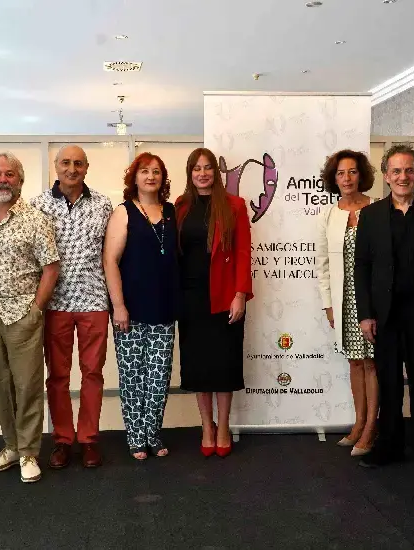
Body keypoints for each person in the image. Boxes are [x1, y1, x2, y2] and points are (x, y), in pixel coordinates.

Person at [354, 144, 414, 472]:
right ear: (386, 176)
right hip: (385, 315)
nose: (403, 176)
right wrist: (365, 313)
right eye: (396, 171)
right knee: (389, 383)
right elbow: (361, 266)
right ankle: (389, 445)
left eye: (408, 170)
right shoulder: (372, 215)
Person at [0, 152, 60, 483]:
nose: (3, 180)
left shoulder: (36, 220)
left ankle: (28, 452)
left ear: (20, 180)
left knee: (27, 386)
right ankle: (10, 445)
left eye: (10, 174)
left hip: (22, 314)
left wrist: (37, 308)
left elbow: (51, 267)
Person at [30, 144, 113, 469]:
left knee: (93, 374)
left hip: (94, 300)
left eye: (78, 163)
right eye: (66, 163)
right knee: (58, 376)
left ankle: (89, 439)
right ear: (56, 166)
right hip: (56, 303)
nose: (72, 169)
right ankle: (63, 440)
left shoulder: (104, 205)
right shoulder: (38, 205)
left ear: (87, 167)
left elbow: (112, 254)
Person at [174, 147, 253, 458]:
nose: (203, 173)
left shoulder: (234, 206)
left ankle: (223, 427)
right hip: (190, 298)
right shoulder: (180, 206)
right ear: (190, 173)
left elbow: (245, 252)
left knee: (223, 364)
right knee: (198, 366)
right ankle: (206, 426)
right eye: (197, 168)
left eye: (208, 167)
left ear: (215, 173)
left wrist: (239, 295)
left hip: (224, 296)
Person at [104, 152, 179, 460]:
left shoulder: (172, 211)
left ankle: (153, 433)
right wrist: (118, 305)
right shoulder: (124, 212)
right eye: (145, 171)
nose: (151, 176)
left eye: (157, 172)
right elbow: (110, 260)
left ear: (163, 178)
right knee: (133, 375)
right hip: (130, 310)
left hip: (165, 307)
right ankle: (136, 437)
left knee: (158, 376)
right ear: (133, 178)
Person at [316, 149, 377, 457]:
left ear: (361, 175)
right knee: (355, 361)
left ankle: (371, 428)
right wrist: (328, 304)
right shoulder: (330, 214)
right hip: (343, 299)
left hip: (373, 300)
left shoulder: (378, 209)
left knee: (372, 362)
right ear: (334, 178)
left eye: (352, 172)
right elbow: (323, 264)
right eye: (341, 173)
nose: (347, 178)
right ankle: (359, 422)